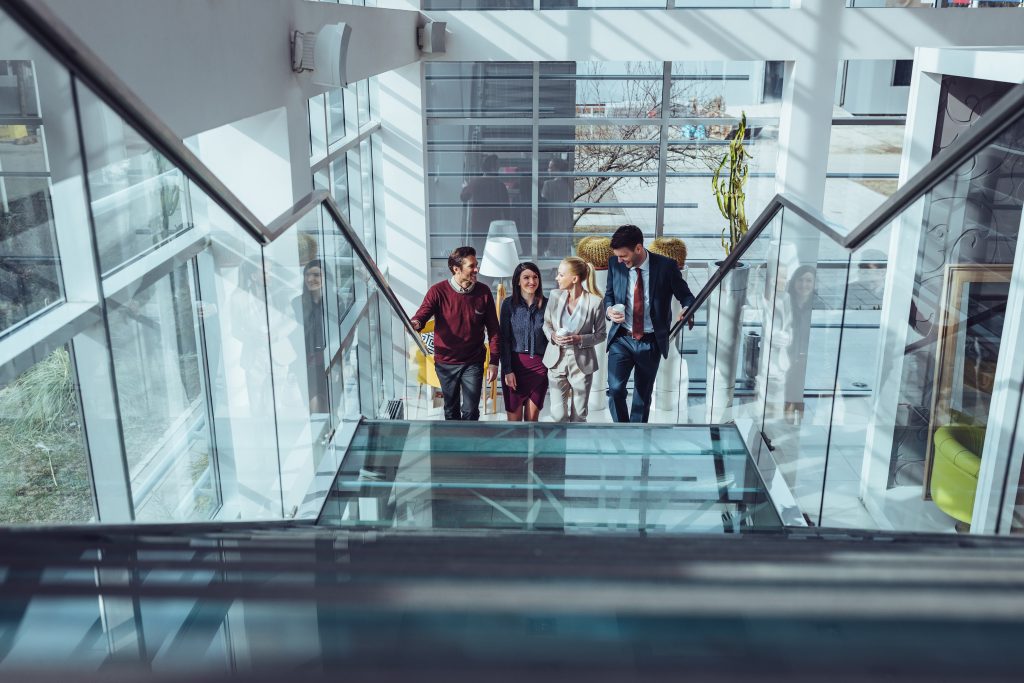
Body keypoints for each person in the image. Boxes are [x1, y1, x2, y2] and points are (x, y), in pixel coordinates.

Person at [604, 225, 695, 423]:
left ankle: (636, 437)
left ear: (638, 248)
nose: (620, 260)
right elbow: (609, 294)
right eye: (618, 256)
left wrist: (688, 308)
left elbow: (686, 296)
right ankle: (622, 431)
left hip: (650, 341)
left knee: (642, 397)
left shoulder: (666, 267)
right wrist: (609, 310)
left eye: (623, 256)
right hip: (622, 338)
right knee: (615, 390)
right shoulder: (615, 264)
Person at [411, 246, 500, 421]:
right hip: (446, 363)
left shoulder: (484, 292)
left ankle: (470, 447)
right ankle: (454, 445)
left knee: (471, 411)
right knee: (451, 410)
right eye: (472, 266)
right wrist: (416, 323)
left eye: (476, 265)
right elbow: (422, 314)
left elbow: (494, 329)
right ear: (456, 269)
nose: (476, 269)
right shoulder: (437, 292)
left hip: (473, 362)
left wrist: (494, 362)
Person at [543, 256, 606, 423]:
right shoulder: (555, 296)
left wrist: (579, 338)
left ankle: (575, 447)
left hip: (582, 363)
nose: (557, 278)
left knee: (579, 415)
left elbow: (601, 334)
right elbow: (546, 324)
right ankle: (559, 448)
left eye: (561, 275)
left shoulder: (595, 302)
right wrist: (552, 335)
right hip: (556, 361)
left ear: (574, 279)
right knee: (557, 415)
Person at [499, 262, 548, 422]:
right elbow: (504, 340)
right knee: (514, 424)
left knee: (532, 423)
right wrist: (507, 370)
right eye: (526, 277)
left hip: (540, 369)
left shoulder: (547, 305)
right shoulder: (508, 304)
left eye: (535, 277)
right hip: (515, 368)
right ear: (517, 281)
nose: (532, 281)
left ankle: (532, 448)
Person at [294, 258, 328, 414]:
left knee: (330, 404)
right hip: (306, 362)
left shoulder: (334, 303)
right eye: (307, 275)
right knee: (312, 404)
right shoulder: (296, 303)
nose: (310, 279)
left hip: (329, 361)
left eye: (316, 275)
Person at [784, 265, 815, 425]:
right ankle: (788, 425)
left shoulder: (816, 307)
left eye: (809, 280)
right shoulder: (786, 304)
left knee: (799, 397)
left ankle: (796, 427)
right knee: (788, 397)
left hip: (807, 362)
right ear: (794, 282)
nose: (804, 285)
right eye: (800, 280)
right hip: (787, 360)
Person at [460, 153, 509, 250]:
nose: (498, 169)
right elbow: (507, 211)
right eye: (497, 166)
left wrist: (465, 187)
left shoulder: (476, 182)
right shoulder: (500, 186)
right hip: (495, 227)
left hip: (478, 227)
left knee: (481, 254)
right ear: (492, 168)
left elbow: (463, 197)